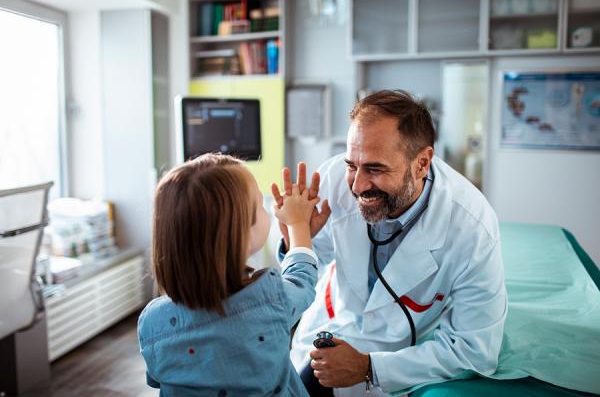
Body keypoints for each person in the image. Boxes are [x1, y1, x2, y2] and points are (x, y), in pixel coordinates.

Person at [273, 90, 508, 396]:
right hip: (325, 328)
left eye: (375, 169)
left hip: (394, 353)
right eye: (352, 165)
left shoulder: (471, 228)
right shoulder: (333, 179)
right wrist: (298, 236)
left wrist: (369, 367)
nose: (357, 185)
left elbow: (475, 350)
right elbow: (316, 260)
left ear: (421, 163)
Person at [137, 153, 330, 396]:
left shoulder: (152, 321)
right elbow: (302, 278)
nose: (267, 210)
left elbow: (156, 379)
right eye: (260, 204)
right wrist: (298, 224)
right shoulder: (269, 303)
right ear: (241, 234)